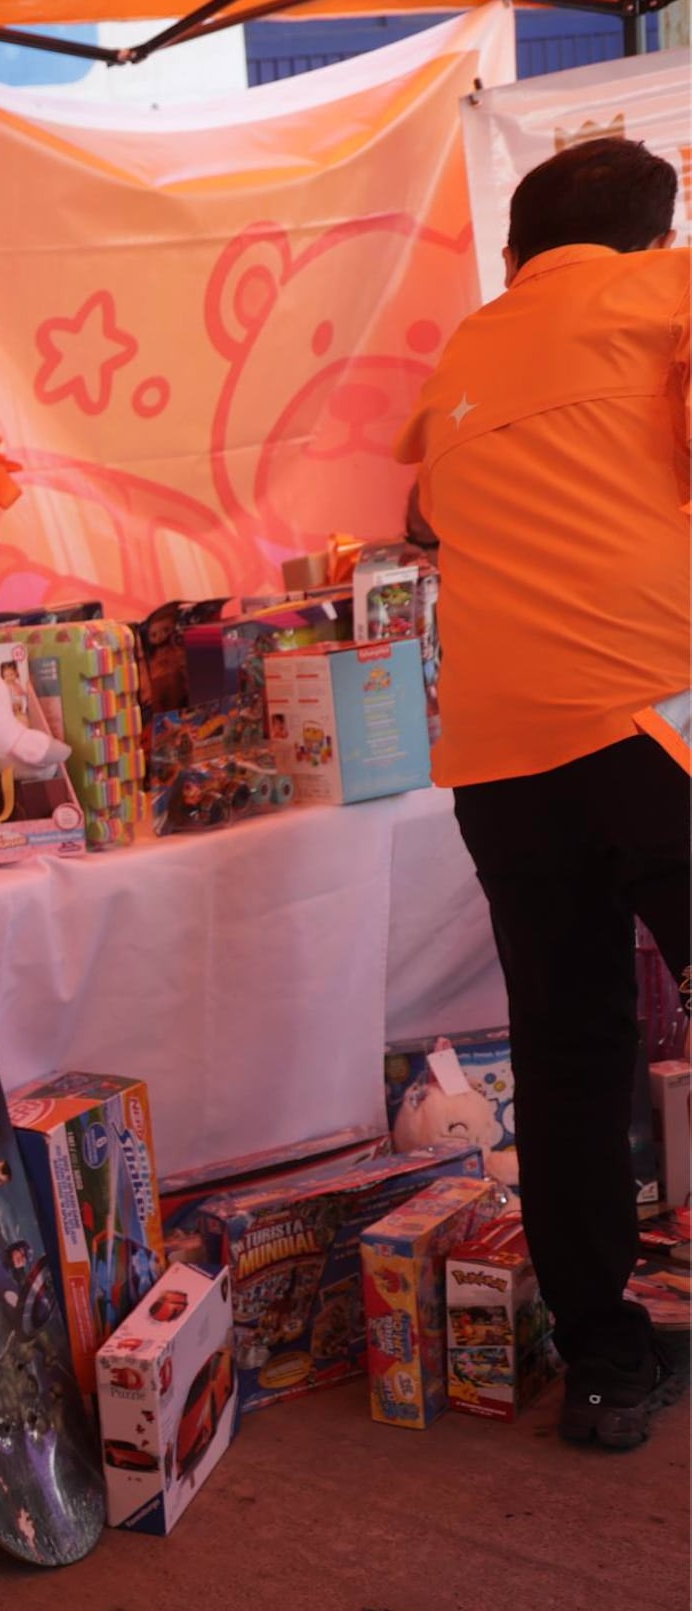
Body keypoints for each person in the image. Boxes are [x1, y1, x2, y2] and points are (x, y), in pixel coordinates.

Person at [394, 136, 690, 1452]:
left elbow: (424, 517)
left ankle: (607, 1362)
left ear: (515, 256)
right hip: (653, 719)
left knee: (568, 1056)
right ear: (654, 231)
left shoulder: (469, 347)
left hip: (502, 757)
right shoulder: (666, 293)